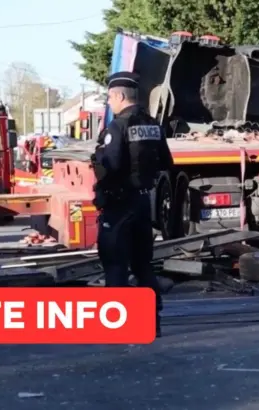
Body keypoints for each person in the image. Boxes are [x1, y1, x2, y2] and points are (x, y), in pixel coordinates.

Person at [93, 71, 174, 337]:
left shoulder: (117, 127)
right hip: (143, 204)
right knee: (142, 264)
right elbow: (166, 162)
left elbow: (111, 165)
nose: (109, 104)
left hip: (119, 205)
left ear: (118, 96)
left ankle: (117, 323)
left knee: (115, 263)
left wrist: (99, 164)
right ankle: (152, 321)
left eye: (109, 99)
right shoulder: (152, 125)